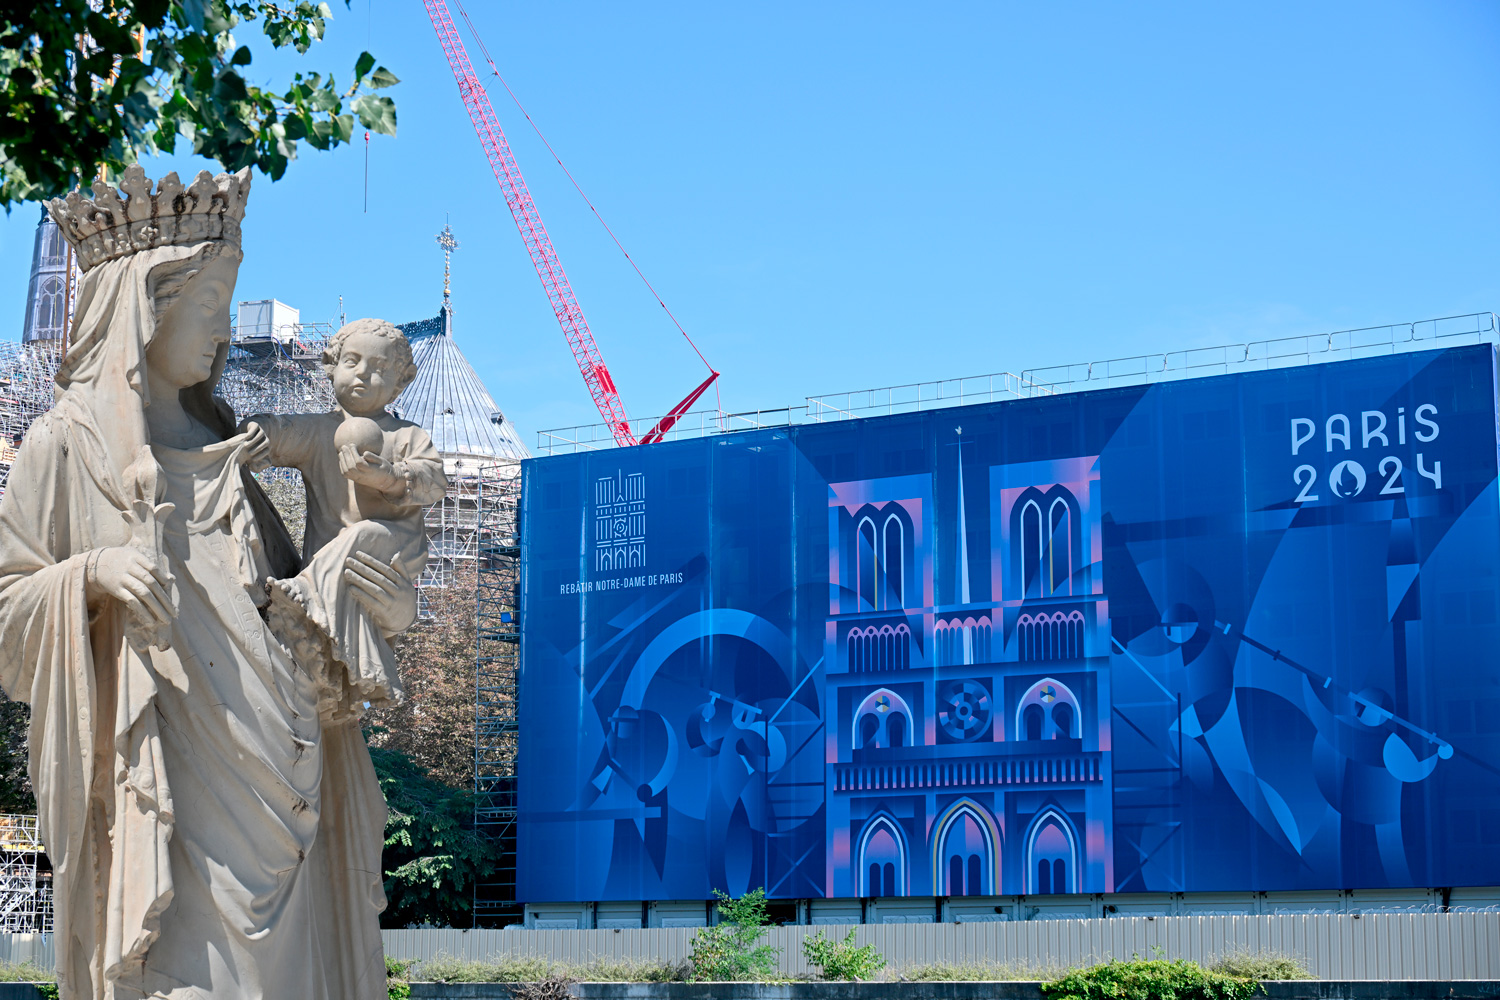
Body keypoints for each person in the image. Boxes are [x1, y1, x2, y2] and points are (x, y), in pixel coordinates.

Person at [0, 166, 405, 999]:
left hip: (283, 760)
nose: (223, 334)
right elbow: (8, 601)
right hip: (167, 778)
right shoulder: (64, 449)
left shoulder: (230, 444)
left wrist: (362, 578)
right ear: (144, 305)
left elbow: (290, 603)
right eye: (212, 307)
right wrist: (90, 575)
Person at [243, 318, 447, 721]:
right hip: (333, 565)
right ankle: (335, 651)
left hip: (391, 549)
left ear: (400, 382)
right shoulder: (320, 431)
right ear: (331, 366)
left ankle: (304, 599)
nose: (364, 375)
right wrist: (257, 432)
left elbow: (434, 481)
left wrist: (388, 477)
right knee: (353, 545)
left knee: (366, 531)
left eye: (380, 369)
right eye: (352, 361)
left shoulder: (407, 436)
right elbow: (280, 432)